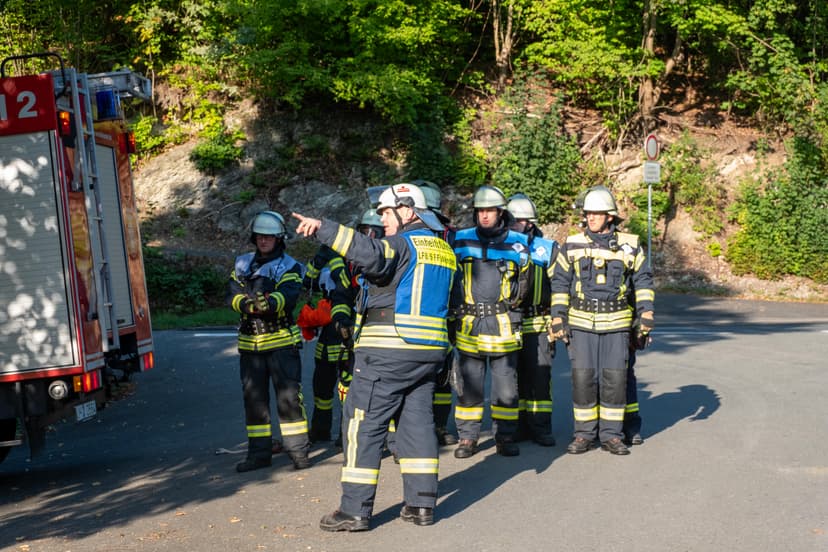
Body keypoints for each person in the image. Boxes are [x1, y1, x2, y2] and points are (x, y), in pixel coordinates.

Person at [292, 182, 456, 532]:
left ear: (407, 210)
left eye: (386, 212)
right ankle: (421, 505)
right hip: (428, 354)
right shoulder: (444, 250)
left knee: (361, 425)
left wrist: (323, 228)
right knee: (417, 426)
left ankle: (354, 510)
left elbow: (368, 253)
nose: (382, 219)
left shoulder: (399, 245)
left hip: (388, 352)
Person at [548, 186, 654, 456]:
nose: (591, 218)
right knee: (583, 379)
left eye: (596, 213)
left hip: (617, 325)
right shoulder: (572, 244)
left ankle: (612, 435)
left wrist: (646, 313)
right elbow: (560, 282)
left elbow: (643, 281)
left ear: (610, 216)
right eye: (588, 213)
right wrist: (558, 316)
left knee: (614, 381)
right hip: (582, 324)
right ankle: (583, 434)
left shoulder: (630, 245)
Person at [226, 210, 311, 472]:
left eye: (269, 237)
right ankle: (259, 454)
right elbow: (232, 294)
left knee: (289, 399)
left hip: (281, 343)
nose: (263, 241)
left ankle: (298, 451)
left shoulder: (290, 266)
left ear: (279, 239)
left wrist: (269, 303)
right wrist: (248, 305)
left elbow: (288, 295)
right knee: (254, 402)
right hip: (250, 345)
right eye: (260, 236)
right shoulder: (242, 264)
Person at [450, 185, 530, 458]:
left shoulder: (518, 243)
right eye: (480, 211)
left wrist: (516, 311)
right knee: (468, 387)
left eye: (490, 211)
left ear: (501, 213)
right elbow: (451, 279)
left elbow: (525, 283)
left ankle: (505, 436)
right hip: (469, 324)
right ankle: (467, 438)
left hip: (503, 325)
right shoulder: (460, 240)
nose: (484, 215)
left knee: (506, 388)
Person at [506, 193, 558, 447]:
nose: (518, 225)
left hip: (538, 322)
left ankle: (540, 427)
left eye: (522, 221)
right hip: (509, 322)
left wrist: (557, 320)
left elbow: (560, 287)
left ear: (530, 222)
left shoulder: (546, 248)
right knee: (512, 379)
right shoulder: (501, 245)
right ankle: (516, 427)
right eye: (513, 220)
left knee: (539, 378)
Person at [302, 244, 357, 444]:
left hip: (348, 333)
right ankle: (320, 429)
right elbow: (307, 281)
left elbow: (345, 285)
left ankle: (346, 434)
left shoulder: (356, 269)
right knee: (321, 388)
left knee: (348, 389)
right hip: (327, 336)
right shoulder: (326, 272)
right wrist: (319, 259)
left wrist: (334, 260)